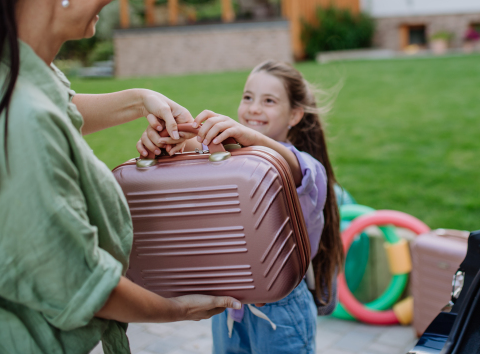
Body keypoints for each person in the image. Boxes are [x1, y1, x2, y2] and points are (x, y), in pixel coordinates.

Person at [0, 0, 242, 353]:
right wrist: (175, 310)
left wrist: (141, 100)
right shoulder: (20, 121)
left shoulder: (6, 65)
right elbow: (81, 285)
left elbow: (60, 108)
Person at [138, 61, 344, 353]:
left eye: (269, 101)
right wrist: (170, 145)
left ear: (295, 115)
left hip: (282, 308)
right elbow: (192, 163)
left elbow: (293, 168)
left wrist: (252, 139)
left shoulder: (303, 165)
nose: (254, 108)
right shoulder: (230, 163)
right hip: (228, 306)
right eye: (248, 97)